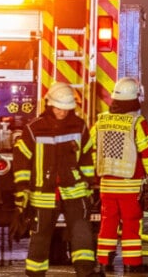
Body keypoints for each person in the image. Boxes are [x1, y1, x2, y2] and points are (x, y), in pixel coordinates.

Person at [12, 82, 101, 277]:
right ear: (49, 105)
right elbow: (22, 160)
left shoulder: (79, 126)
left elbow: (87, 156)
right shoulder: (34, 129)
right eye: (59, 108)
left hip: (75, 190)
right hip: (43, 192)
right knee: (41, 235)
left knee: (82, 232)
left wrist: (89, 182)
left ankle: (85, 271)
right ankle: (35, 273)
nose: (62, 112)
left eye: (66, 109)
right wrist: (22, 188)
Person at [93, 77, 148, 274]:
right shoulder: (136, 123)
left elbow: (92, 149)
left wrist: (94, 177)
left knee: (107, 223)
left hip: (106, 184)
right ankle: (132, 263)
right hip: (130, 185)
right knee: (131, 224)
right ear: (135, 100)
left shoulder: (101, 122)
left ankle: (104, 261)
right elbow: (147, 152)